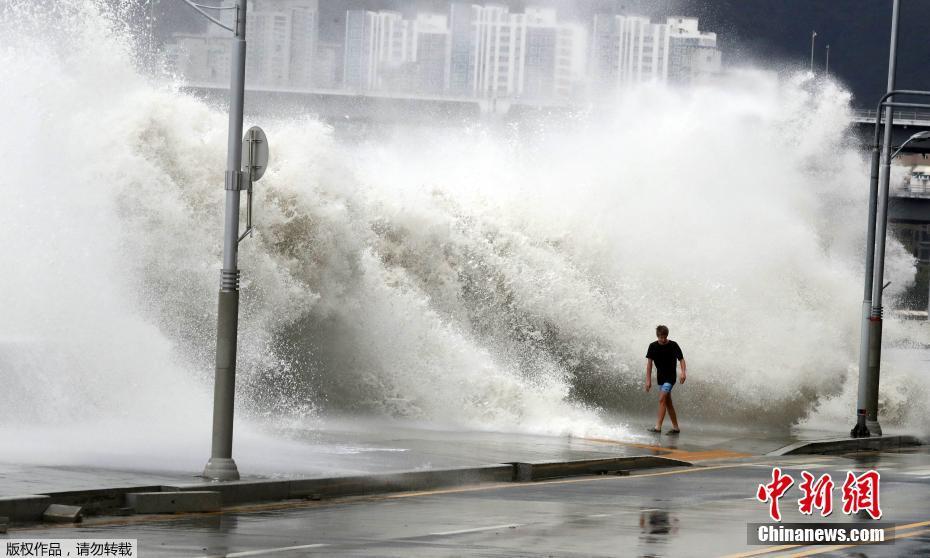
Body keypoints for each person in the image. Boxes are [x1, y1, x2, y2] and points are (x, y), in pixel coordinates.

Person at [645, 325, 687, 434]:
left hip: (670, 377)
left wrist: (683, 373)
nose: (663, 339)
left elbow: (681, 359)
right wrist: (648, 380)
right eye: (661, 337)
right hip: (661, 378)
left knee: (662, 398)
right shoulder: (652, 346)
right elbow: (649, 365)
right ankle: (676, 428)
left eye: (665, 337)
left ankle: (657, 427)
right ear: (657, 336)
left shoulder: (673, 345)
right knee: (668, 402)